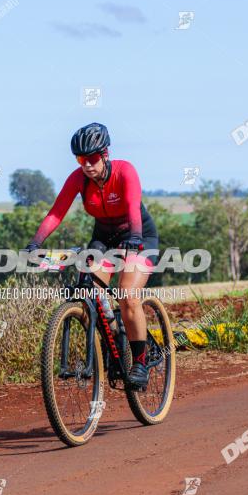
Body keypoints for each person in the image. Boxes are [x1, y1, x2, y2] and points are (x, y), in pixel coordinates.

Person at [25, 122, 159, 388]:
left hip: (138, 236)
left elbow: (133, 205)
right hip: (103, 240)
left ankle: (141, 363)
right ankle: (110, 346)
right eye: (80, 159)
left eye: (92, 158)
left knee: (127, 296)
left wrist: (133, 239)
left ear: (105, 154)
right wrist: (35, 243)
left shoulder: (125, 171)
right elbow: (56, 213)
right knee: (89, 290)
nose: (86, 165)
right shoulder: (78, 179)